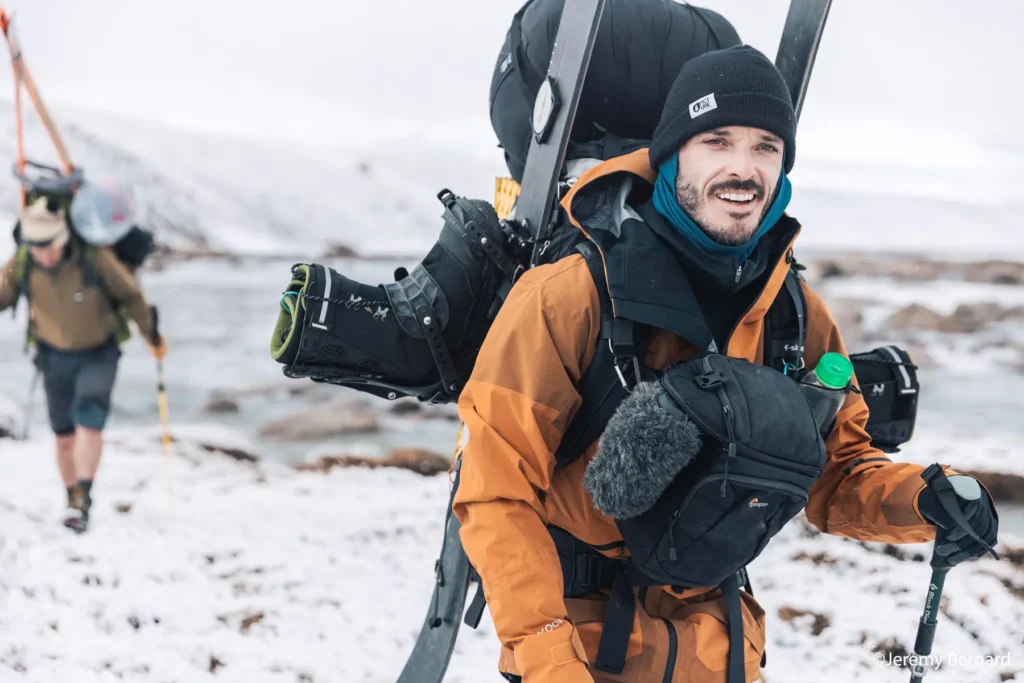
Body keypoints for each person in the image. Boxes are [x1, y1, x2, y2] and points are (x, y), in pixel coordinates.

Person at [451, 46, 999, 683]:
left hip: (723, 648)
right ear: (673, 154)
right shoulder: (568, 294)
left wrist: (925, 501)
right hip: (579, 644)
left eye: (767, 147)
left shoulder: (793, 312)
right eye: (717, 140)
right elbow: (495, 491)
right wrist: (549, 662)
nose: (744, 169)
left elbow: (836, 477)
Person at [0, 196, 167, 533]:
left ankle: (83, 498)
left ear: (61, 239)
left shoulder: (94, 258)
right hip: (52, 355)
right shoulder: (23, 262)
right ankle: (71, 497)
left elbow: (131, 295)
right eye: (34, 246)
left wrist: (150, 334)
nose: (41, 253)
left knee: (89, 422)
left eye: (46, 245)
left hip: (98, 354)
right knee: (63, 436)